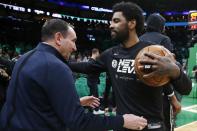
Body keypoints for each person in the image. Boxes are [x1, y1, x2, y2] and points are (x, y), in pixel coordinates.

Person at [0, 19, 147, 131]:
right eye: (73, 41)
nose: (75, 47)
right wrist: (122, 121)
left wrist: (74, 102)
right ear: (58, 38)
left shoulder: (25, 57)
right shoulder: (57, 67)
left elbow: (32, 102)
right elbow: (78, 122)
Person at [68, 2, 192, 131]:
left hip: (151, 127)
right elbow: (88, 67)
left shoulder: (153, 51)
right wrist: (61, 61)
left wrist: (175, 71)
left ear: (132, 23)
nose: (110, 25)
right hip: (124, 126)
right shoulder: (110, 54)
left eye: (116, 21)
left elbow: (186, 88)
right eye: (111, 21)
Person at [139, 13, 183, 131]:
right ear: (161, 26)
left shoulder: (140, 38)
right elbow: (165, 70)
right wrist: (172, 97)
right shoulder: (164, 39)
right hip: (160, 90)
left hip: (140, 90)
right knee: (165, 125)